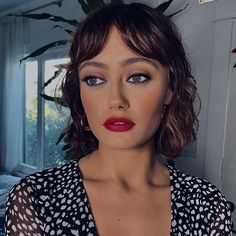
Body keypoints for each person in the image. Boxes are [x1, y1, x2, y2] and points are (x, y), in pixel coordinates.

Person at [5, 3, 233, 236]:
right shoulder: (36, 199)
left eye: (137, 77)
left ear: (169, 88)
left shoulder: (208, 205)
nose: (116, 100)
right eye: (94, 79)